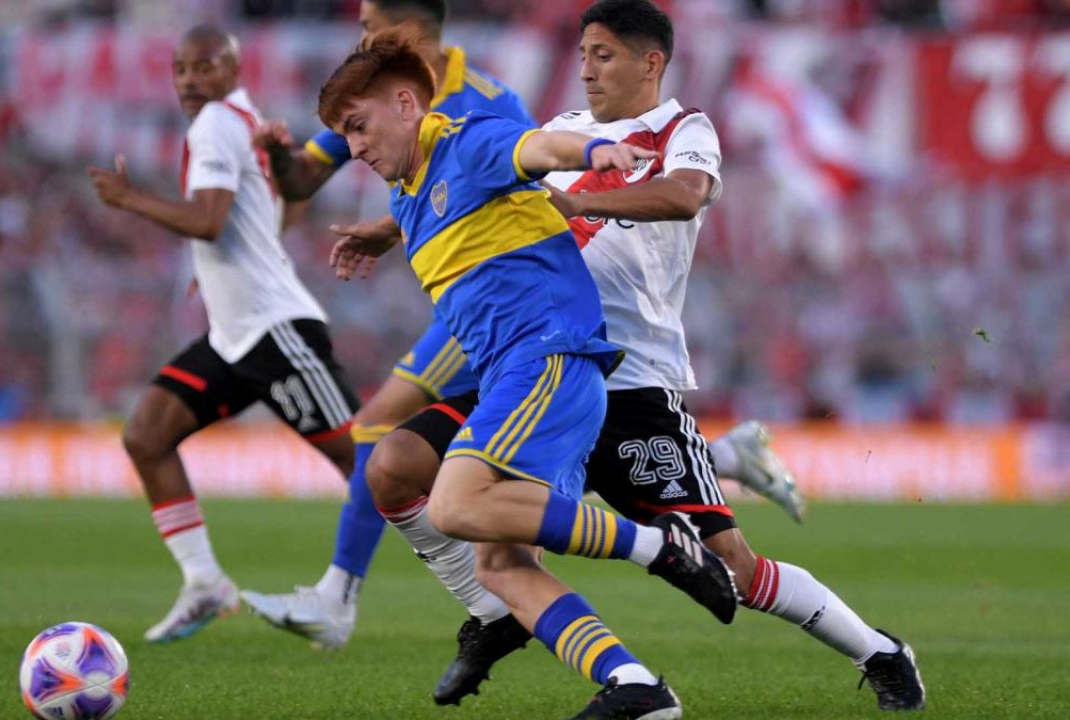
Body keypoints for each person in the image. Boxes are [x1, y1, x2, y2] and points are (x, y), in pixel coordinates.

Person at [346, 1, 926, 714]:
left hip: (634, 380)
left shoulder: (684, 130)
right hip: (528, 359)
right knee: (399, 468)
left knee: (733, 569)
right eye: (584, 53)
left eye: (605, 55)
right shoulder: (561, 132)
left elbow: (684, 197)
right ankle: (517, 628)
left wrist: (582, 199)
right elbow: (469, 181)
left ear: (651, 62)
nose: (586, 69)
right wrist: (385, 227)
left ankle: (879, 650)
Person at [243, 0, 804, 655]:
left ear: (406, 30)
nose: (363, 39)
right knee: (422, 460)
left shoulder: (477, 97)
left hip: (532, 312)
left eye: (372, 28)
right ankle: (716, 468)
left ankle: (362, 593)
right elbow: (307, 180)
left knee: (405, 446)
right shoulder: (368, 103)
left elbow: (526, 166)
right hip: (482, 308)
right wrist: (312, 179)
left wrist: (596, 161)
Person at [319, 27, 742, 719]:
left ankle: (659, 545)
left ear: (405, 104)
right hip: (509, 373)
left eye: (358, 127)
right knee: (490, 555)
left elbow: (538, 149)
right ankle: (638, 688)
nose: (354, 147)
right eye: (344, 135)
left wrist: (600, 150)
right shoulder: (406, 193)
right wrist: (384, 231)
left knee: (455, 505)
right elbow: (450, 201)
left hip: (549, 357)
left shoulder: (468, 137)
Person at [86, 25, 361, 644]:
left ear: (232, 68)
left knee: (369, 465)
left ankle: (482, 572)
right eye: (180, 69)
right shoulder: (243, 119)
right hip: (233, 335)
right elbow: (276, 210)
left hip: (274, 328)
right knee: (147, 434)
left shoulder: (216, 121)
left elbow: (208, 222)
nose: (189, 80)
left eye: (203, 67)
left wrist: (129, 198)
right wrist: (216, 278)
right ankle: (205, 582)